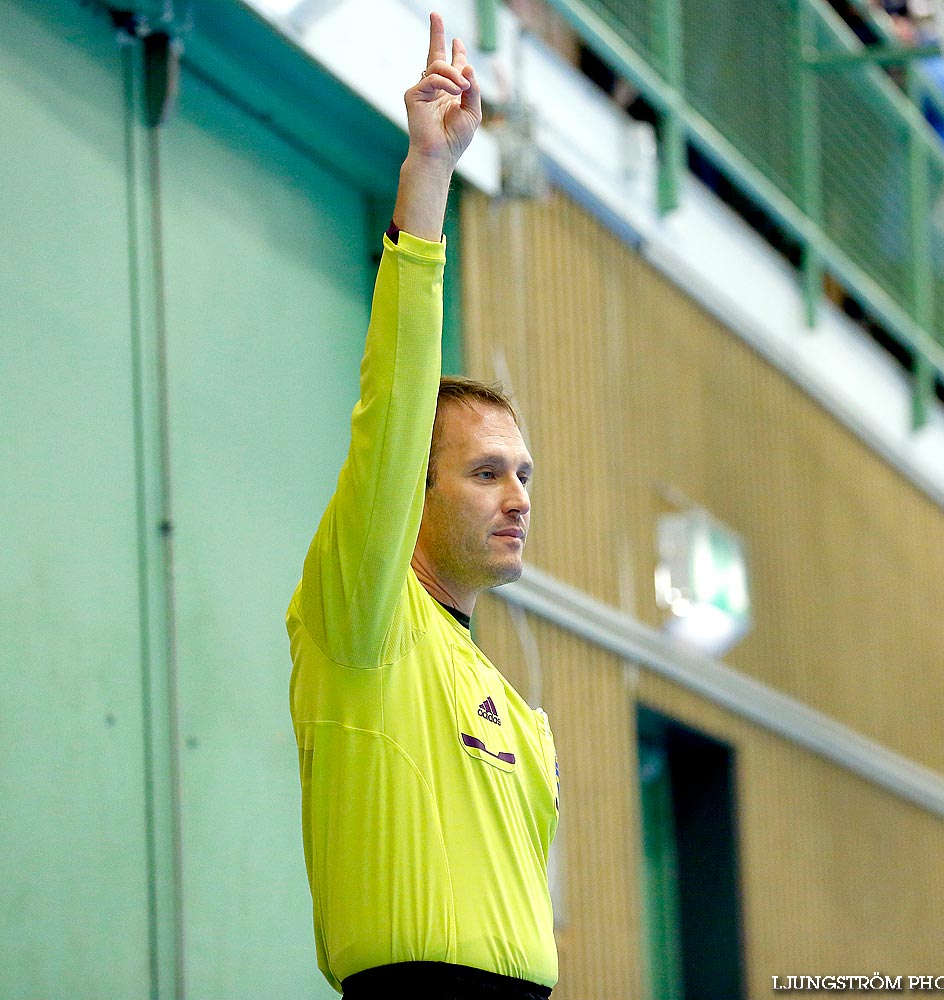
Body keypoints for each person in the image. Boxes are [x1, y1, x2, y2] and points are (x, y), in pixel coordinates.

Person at [285, 13, 559, 1000]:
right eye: (486, 472)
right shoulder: (360, 620)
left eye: (523, 473)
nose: (517, 496)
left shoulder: (523, 722)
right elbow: (393, 401)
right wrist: (429, 176)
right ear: (416, 485)